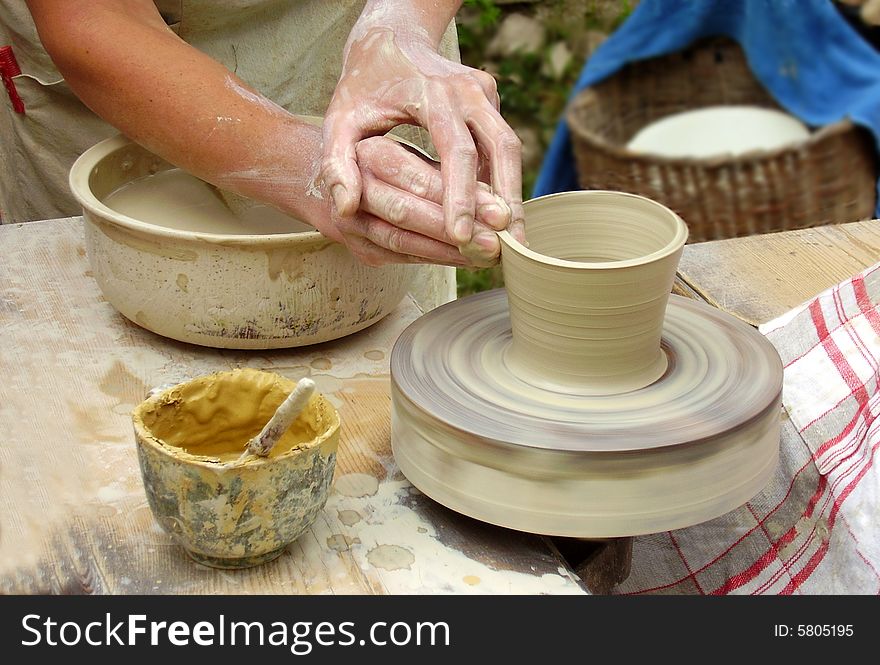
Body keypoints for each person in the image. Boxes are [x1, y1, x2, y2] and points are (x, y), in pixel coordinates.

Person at [1, 1, 524, 301]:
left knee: (397, 374)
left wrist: (400, 26)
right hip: (114, 65)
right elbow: (97, 16)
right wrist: (307, 168)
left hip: (341, 34)